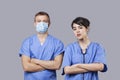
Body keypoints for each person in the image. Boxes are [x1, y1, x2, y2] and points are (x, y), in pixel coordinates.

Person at [19, 11, 64, 80]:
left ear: (49, 23)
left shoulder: (57, 43)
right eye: (39, 21)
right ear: (35, 24)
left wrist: (36, 61)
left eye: (44, 21)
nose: (41, 23)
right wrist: (49, 65)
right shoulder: (27, 42)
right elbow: (26, 67)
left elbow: (57, 65)